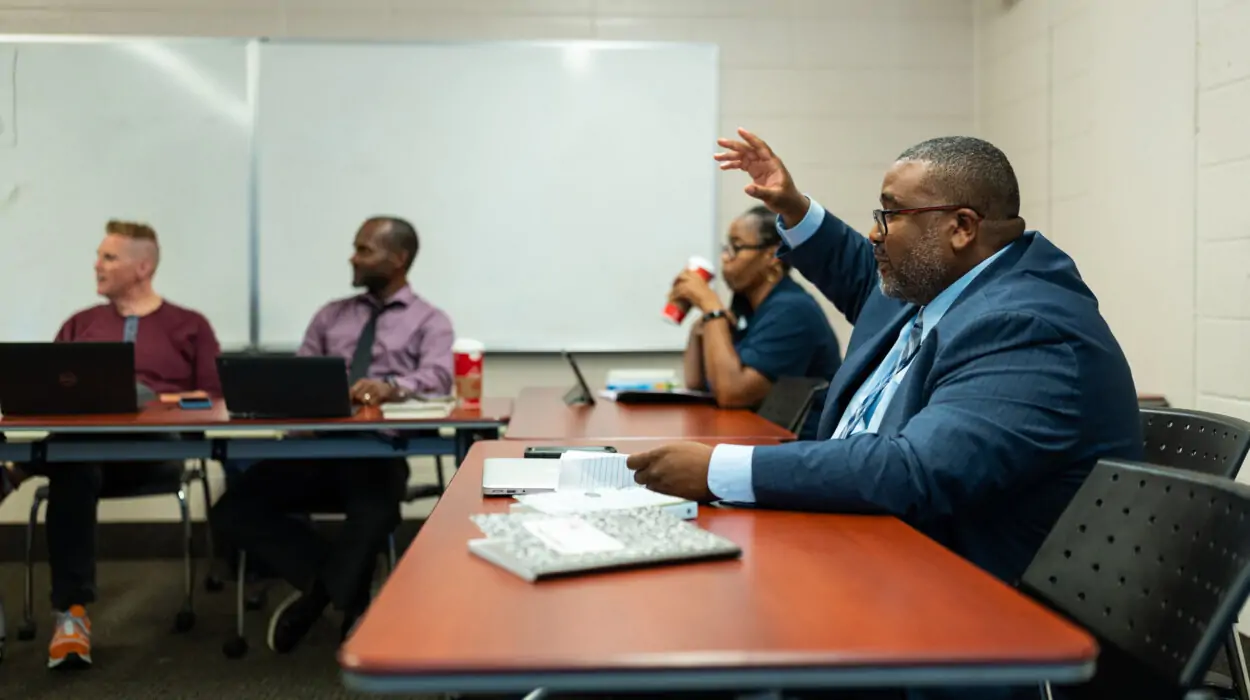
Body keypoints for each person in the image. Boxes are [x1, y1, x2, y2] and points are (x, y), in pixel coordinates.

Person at [626, 130, 1142, 700]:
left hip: (954, 625)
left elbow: (914, 471)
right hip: (871, 562)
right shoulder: (938, 286)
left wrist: (718, 470)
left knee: (668, 659)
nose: (874, 232)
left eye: (890, 214)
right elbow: (854, 264)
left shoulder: (1026, 326)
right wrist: (792, 207)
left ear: (961, 226)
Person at [211, 216, 454, 654]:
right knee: (233, 509)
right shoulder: (332, 315)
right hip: (313, 449)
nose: (353, 257)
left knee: (376, 513)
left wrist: (393, 387)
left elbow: (438, 377)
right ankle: (338, 591)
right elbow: (299, 376)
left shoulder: (429, 321)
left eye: (364, 249)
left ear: (398, 259)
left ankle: (320, 598)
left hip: (377, 452)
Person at [0, 220, 221, 670]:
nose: (96, 265)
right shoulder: (80, 324)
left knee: (80, 443)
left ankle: (17, 471)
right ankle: (73, 616)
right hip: (82, 459)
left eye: (108, 257)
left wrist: (153, 402)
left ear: (142, 267)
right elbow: (50, 394)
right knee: (76, 464)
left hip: (155, 454)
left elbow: (215, 400)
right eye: (99, 255)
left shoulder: (190, 325)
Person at [674, 205, 841, 439]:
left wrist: (712, 309)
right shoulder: (747, 306)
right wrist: (702, 325)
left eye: (737, 247)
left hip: (800, 451)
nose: (725, 257)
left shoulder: (791, 310)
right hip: (755, 437)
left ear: (772, 255)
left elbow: (732, 393)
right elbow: (696, 383)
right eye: (726, 248)